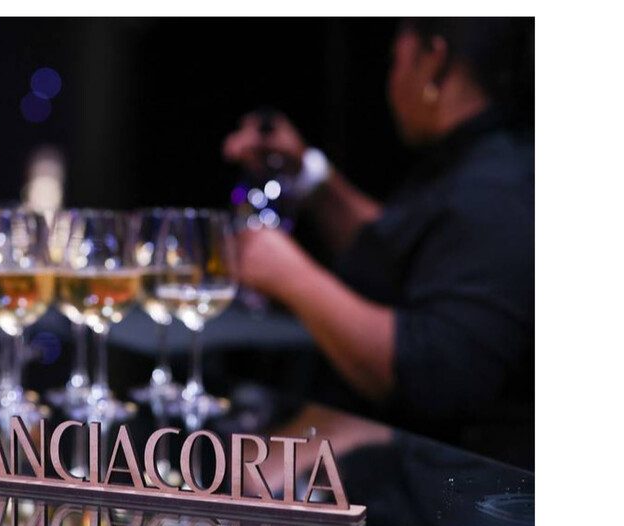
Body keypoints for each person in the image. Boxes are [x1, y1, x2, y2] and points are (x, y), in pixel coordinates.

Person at [227, 18, 534, 464]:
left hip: (449, 486)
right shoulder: (475, 159)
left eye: (395, 61)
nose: (391, 81)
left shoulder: (497, 191)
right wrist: (308, 175)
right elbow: (401, 247)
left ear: (434, 60)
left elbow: (433, 371)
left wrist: (289, 275)